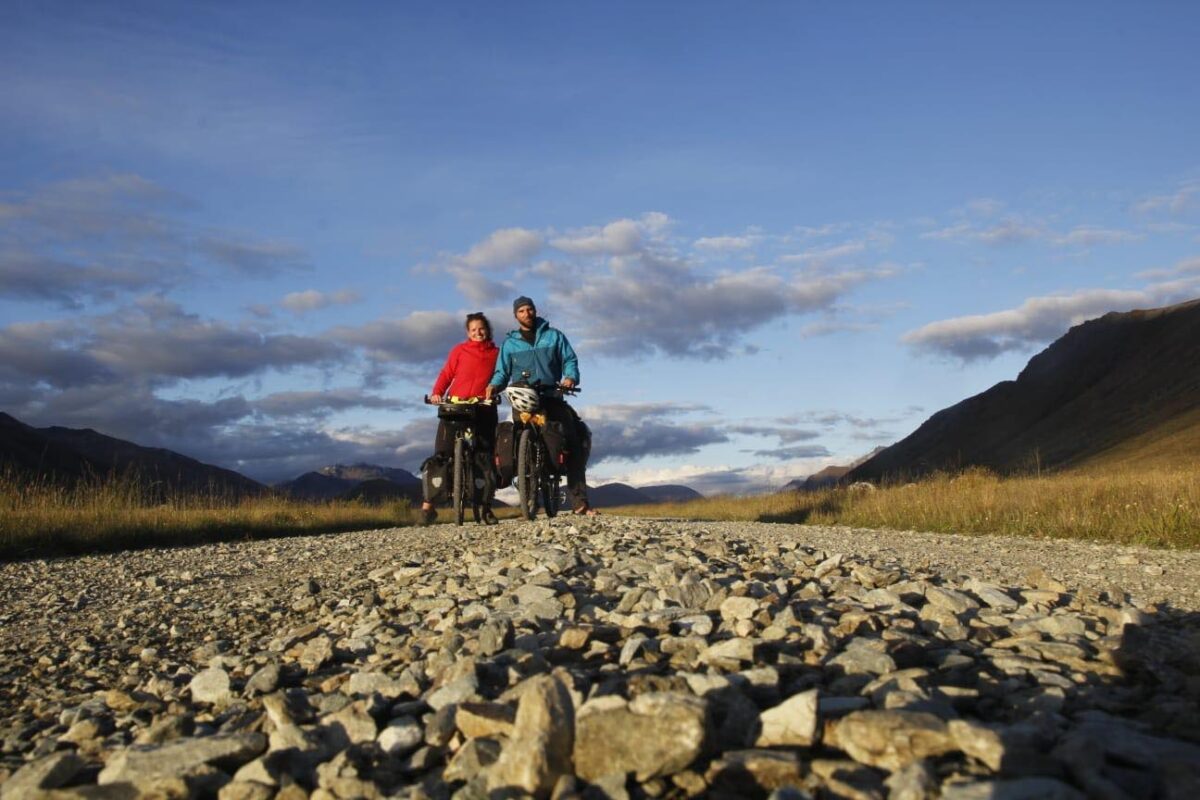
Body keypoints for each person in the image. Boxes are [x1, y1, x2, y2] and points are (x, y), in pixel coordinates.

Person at [486, 296, 596, 515]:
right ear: (516, 315)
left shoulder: (554, 336)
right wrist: (494, 385)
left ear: (535, 311)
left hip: (552, 395)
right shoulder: (510, 343)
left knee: (572, 441)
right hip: (522, 399)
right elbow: (502, 371)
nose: (527, 313)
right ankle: (527, 494)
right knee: (515, 441)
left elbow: (569, 360)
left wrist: (570, 378)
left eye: (530, 309)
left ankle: (580, 503)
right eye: (521, 311)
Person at [420, 312, 500, 525]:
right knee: (441, 454)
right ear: (468, 332)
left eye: (481, 328)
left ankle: (485, 508)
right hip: (456, 405)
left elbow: (501, 376)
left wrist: (496, 392)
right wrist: (437, 392)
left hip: (483, 407)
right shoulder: (459, 350)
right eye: (473, 330)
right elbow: (447, 373)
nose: (477, 332)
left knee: (485, 455)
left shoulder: (497, 353)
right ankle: (428, 506)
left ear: (488, 329)